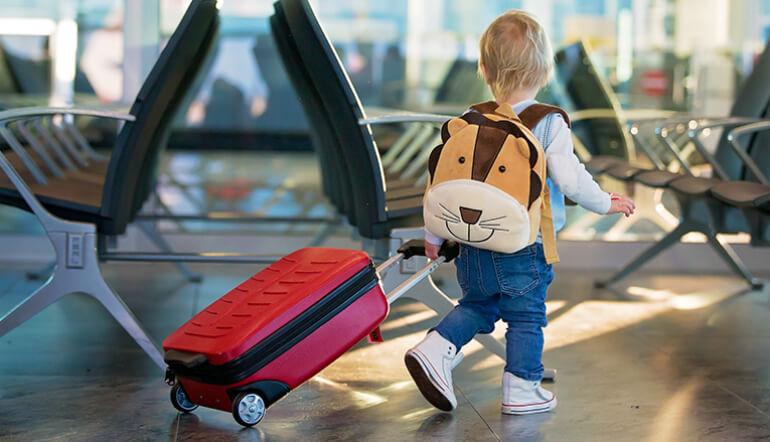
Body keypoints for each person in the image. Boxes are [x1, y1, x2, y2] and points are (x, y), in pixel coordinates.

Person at [404, 10, 635, 416]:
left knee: (477, 305)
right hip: (524, 245)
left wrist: (435, 236)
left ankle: (435, 346)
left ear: (484, 68)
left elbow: (440, 184)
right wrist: (605, 202)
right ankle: (522, 388)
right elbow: (570, 177)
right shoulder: (548, 124)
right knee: (526, 317)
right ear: (544, 69)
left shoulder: (468, 121)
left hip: (472, 242)